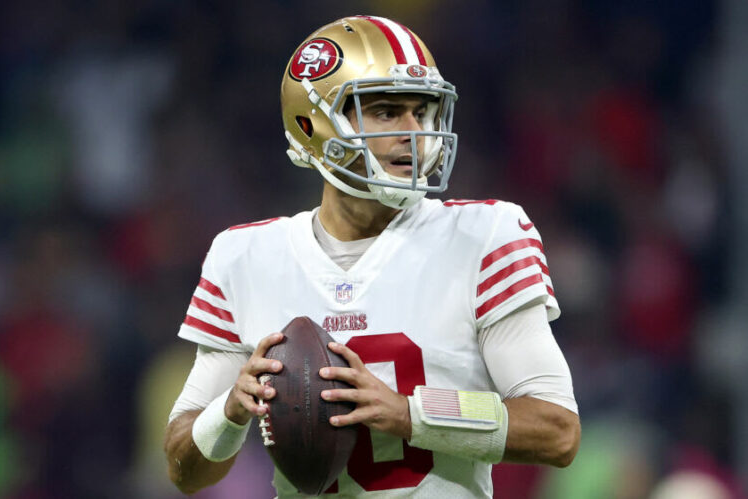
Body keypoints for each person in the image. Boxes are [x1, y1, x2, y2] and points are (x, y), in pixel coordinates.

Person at [164, 15, 580, 498]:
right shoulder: (243, 256)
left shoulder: (486, 235)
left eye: (422, 112)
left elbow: (558, 430)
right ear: (312, 124)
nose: (414, 132)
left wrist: (408, 415)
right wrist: (230, 413)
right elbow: (183, 469)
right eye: (385, 112)